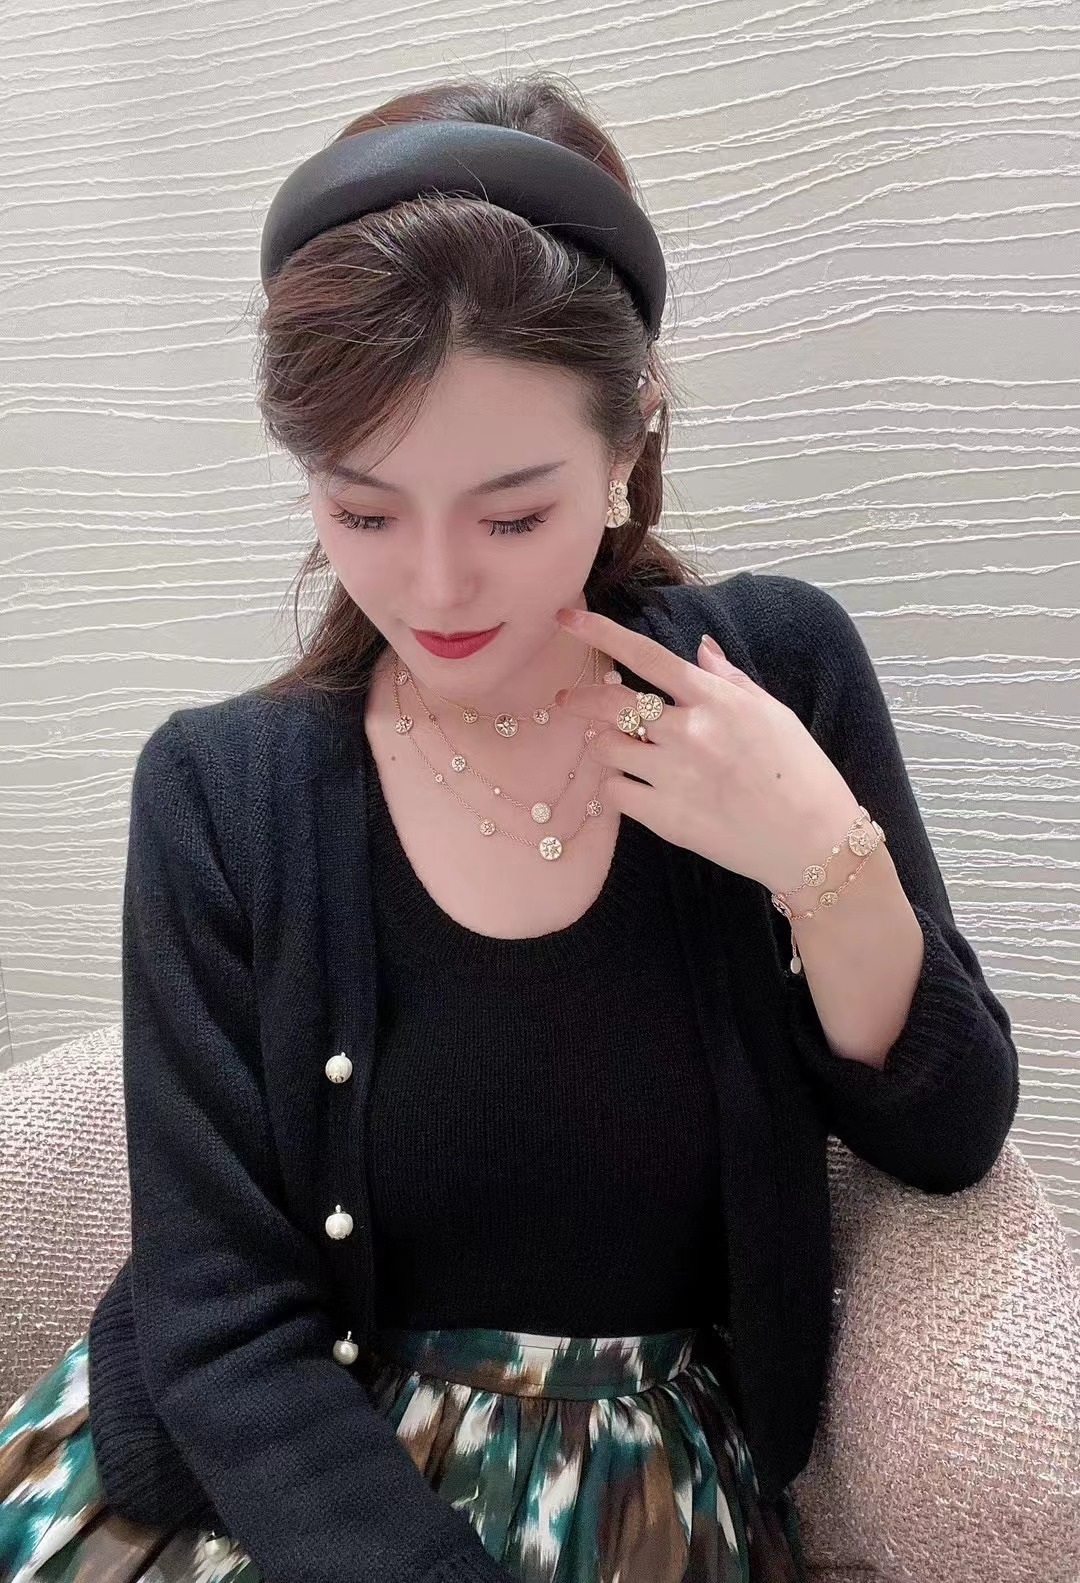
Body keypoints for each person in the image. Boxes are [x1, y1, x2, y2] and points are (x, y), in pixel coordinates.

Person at [0, 72, 1019, 1583]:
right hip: (273, 1490)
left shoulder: (769, 678)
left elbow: (949, 1138)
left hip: (635, 1505)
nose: (432, 590)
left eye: (512, 514)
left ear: (627, 441)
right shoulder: (221, 791)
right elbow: (221, 1323)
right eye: (362, 512)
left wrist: (822, 858)